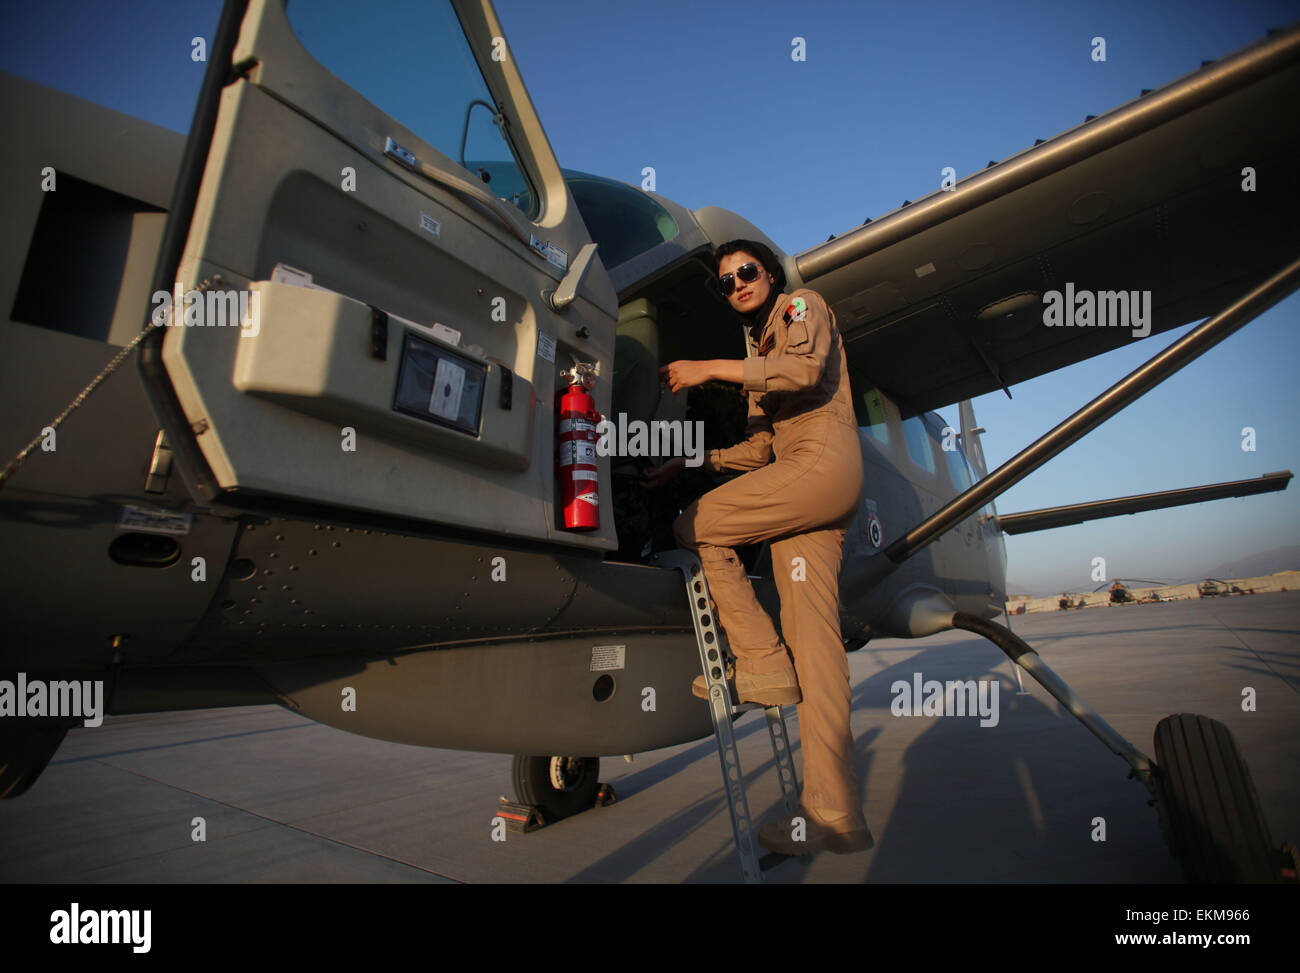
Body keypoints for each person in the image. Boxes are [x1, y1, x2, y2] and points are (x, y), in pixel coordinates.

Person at [643, 239, 870, 855]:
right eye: (726, 282)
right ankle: (834, 814)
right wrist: (689, 462)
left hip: (822, 463)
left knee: (697, 524)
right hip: (804, 484)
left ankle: (760, 660)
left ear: (768, 273)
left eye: (746, 272)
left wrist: (706, 368)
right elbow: (758, 452)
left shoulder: (802, 307)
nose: (738, 284)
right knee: (817, 649)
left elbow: (804, 374)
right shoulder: (759, 352)